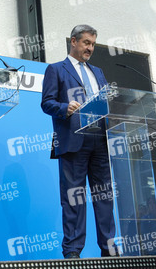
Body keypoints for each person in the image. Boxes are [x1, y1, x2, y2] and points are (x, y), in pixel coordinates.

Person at [41, 25, 116, 258]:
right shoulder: (56, 69)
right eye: (86, 43)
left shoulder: (98, 72)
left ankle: (110, 249)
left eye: (93, 44)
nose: (90, 48)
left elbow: (106, 101)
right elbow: (46, 103)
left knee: (104, 196)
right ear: (73, 41)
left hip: (100, 140)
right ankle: (72, 250)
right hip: (73, 141)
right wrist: (66, 108)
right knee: (74, 197)